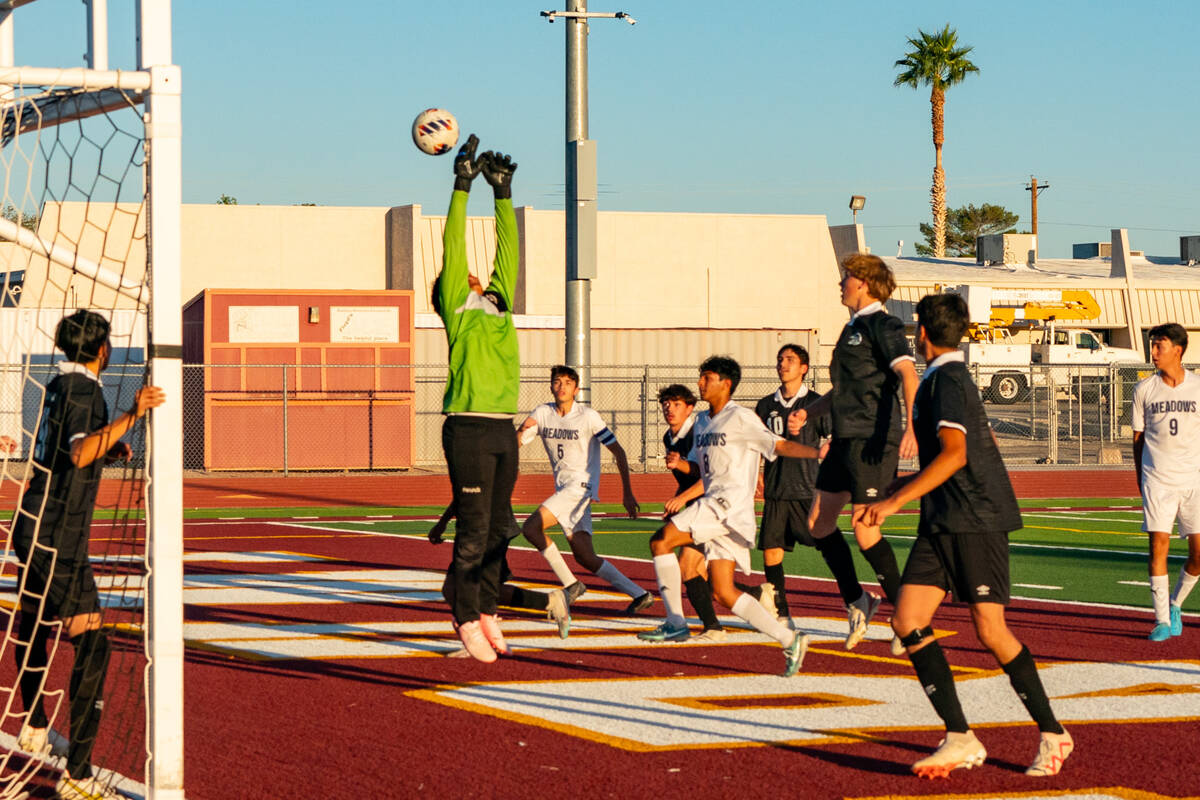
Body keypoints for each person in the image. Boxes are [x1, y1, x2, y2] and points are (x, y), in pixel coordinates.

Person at [857, 293, 1073, 779]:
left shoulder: (949, 378)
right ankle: (959, 736)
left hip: (975, 518)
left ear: (922, 335)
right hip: (943, 519)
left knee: (990, 630)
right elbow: (976, 442)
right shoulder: (941, 378)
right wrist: (901, 486)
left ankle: (1053, 732)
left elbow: (956, 452)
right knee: (908, 620)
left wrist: (894, 501)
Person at [12, 309, 165, 800]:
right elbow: (79, 452)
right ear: (103, 349)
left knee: (34, 623)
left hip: (33, 523)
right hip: (59, 534)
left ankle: (35, 724)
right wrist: (133, 415)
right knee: (94, 645)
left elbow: (72, 447)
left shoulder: (59, 384)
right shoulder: (87, 391)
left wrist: (111, 444)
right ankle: (77, 776)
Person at [638, 357, 815, 678]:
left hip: (728, 506)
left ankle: (676, 623)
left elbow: (779, 445)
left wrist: (818, 454)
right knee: (720, 590)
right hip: (714, 505)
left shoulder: (742, 418)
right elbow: (699, 471)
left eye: (707, 377)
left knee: (661, 541)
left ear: (726, 384)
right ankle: (791, 639)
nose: (701, 383)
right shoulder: (704, 421)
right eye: (701, 376)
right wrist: (681, 466)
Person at [789, 253, 919, 651]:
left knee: (865, 529)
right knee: (818, 525)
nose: (841, 283)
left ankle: (905, 618)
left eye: (846, 277)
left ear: (863, 283)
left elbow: (908, 375)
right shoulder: (851, 330)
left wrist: (912, 426)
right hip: (845, 440)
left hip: (873, 441)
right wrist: (810, 412)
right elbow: (843, 390)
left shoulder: (884, 324)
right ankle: (858, 600)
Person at [433, 134, 521, 664]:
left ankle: (487, 609)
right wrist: (462, 187)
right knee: (471, 533)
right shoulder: (456, 307)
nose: (469, 269)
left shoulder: (498, 301)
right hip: (465, 426)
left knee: (499, 528)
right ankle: (463, 615)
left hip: (502, 428)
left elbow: (506, 253)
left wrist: (504, 196)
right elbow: (454, 245)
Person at [516, 366, 651, 614]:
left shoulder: (588, 416)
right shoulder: (543, 412)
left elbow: (619, 452)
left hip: (580, 488)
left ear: (576, 389)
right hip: (565, 488)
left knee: (531, 527)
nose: (562, 386)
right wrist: (518, 432)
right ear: (551, 386)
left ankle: (572, 584)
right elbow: (518, 440)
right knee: (585, 556)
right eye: (557, 382)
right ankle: (640, 594)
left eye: (568, 382)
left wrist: (627, 492)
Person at [754, 343, 862, 627]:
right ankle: (783, 615)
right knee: (772, 553)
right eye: (779, 359)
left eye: (790, 359)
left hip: (807, 490)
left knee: (828, 546)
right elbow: (758, 444)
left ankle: (856, 601)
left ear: (804, 368)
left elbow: (836, 436)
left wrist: (829, 449)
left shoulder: (815, 404)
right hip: (777, 491)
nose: (783, 364)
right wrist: (757, 476)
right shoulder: (766, 405)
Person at [1131, 322, 1200, 641]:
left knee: (1198, 555)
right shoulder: (1144, 389)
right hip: (1157, 478)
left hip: (1193, 480)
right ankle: (1160, 619)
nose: (1154, 352)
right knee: (1158, 543)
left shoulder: (1198, 387)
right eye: (1152, 345)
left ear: (1178, 350)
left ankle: (1175, 603)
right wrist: (1139, 477)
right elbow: (1138, 439)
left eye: (1160, 345)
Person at [429, 503, 571, 640]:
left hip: (490, 528)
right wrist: (443, 522)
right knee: (457, 589)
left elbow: (478, 489)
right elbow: (464, 490)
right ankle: (551, 601)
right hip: (473, 527)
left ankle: (480, 635)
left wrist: (444, 522)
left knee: (466, 589)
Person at [659, 384, 725, 641]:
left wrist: (682, 474)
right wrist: (679, 500)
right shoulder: (669, 437)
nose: (670, 409)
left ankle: (711, 627)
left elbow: (705, 475)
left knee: (686, 565)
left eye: (676, 404)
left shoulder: (698, 431)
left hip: (712, 505)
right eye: (666, 404)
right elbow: (688, 477)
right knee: (717, 584)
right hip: (696, 506)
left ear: (690, 408)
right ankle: (760, 596)